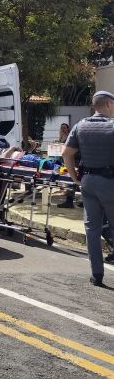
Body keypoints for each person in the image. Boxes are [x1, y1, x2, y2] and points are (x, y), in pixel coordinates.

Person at [62, 90, 114, 287]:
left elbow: (67, 154)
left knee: (92, 228)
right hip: (110, 182)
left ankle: (97, 275)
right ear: (109, 104)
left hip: (88, 182)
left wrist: (75, 177)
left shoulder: (80, 125)